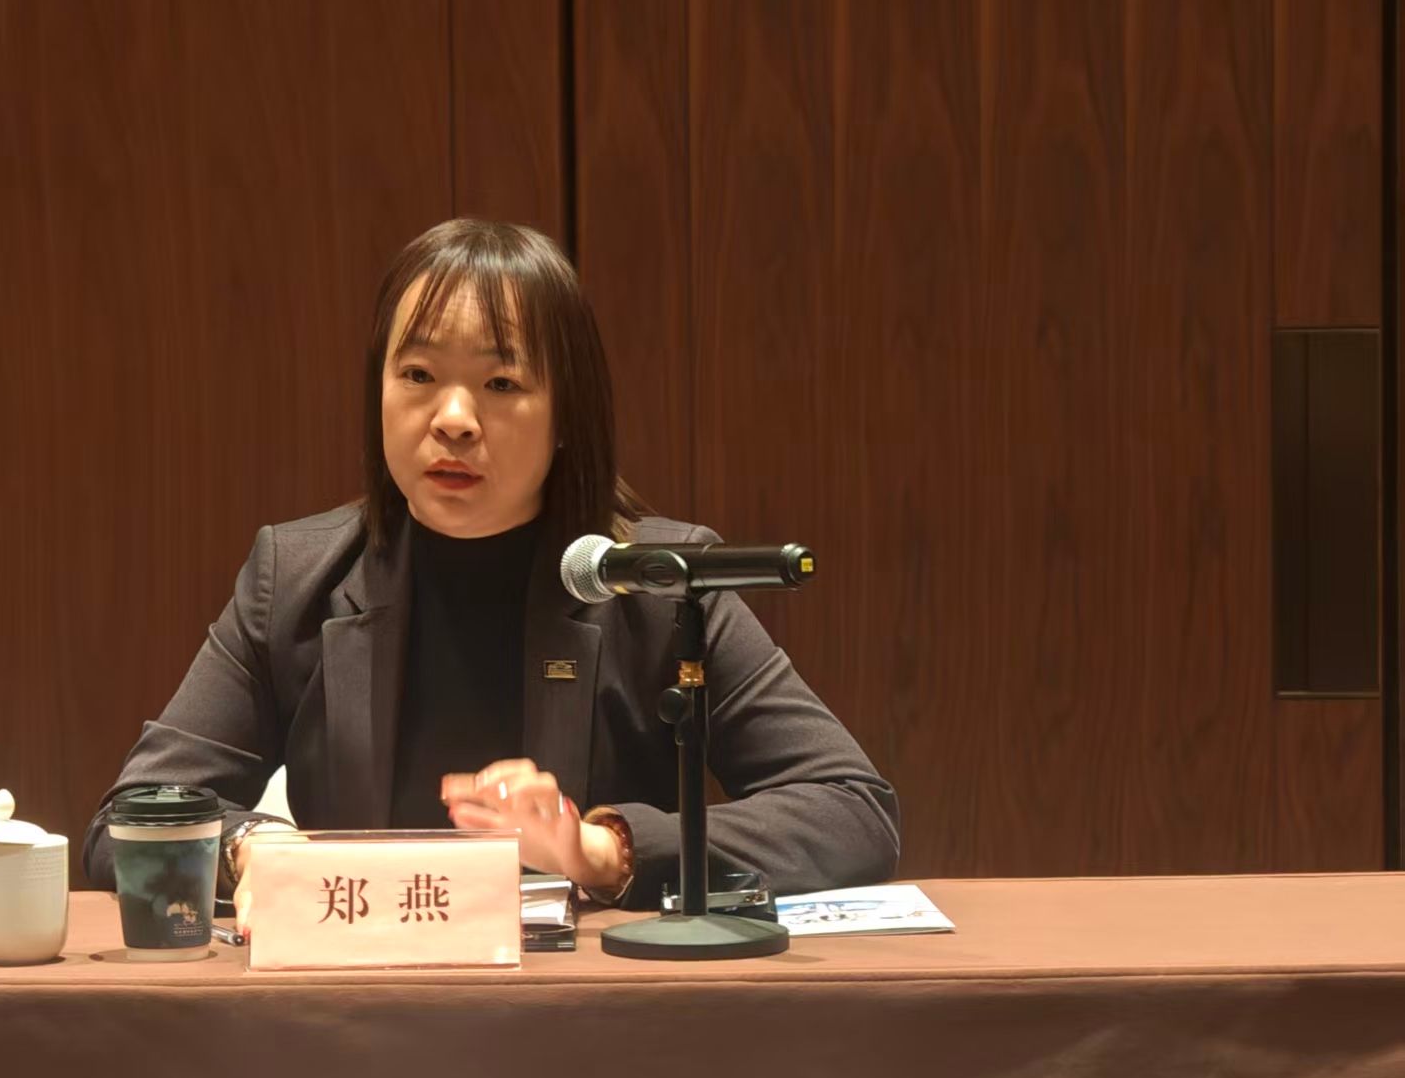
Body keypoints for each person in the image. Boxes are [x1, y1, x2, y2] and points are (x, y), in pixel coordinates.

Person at [81, 218, 899, 927]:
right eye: (418, 375)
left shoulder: (659, 588)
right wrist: (250, 849)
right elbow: (128, 817)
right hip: (356, 1013)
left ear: (568, 413)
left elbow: (852, 809)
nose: (454, 419)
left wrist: (601, 847)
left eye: (501, 382)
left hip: (591, 1023)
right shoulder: (293, 577)